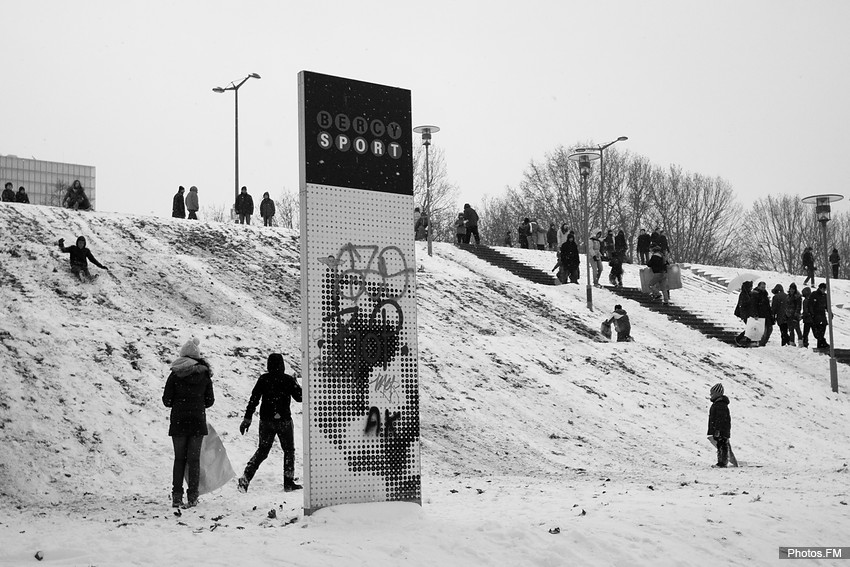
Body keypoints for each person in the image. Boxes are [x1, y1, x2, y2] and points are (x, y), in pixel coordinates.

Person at [237, 353, 303, 493]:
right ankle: (288, 482)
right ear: (282, 365)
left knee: (262, 451)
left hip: (266, 420)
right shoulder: (288, 380)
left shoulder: (263, 379)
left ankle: (246, 477)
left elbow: (254, 399)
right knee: (289, 451)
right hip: (284, 420)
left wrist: (247, 418)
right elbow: (300, 397)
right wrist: (296, 383)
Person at [162, 337, 215, 508]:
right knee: (194, 460)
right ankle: (193, 495)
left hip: (178, 420)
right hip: (197, 420)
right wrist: (197, 403)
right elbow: (210, 400)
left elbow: (166, 400)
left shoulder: (175, 373)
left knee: (179, 459)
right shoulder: (204, 374)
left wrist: (179, 403)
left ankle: (177, 495)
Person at [706, 383, 737, 468]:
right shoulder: (718, 404)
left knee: (722, 446)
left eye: (712, 393)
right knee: (720, 446)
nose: (710, 395)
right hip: (720, 430)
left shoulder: (720, 405)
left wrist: (718, 430)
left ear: (717, 394)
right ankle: (721, 462)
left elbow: (720, 419)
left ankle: (722, 463)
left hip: (721, 430)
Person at [750, 281, 773, 346]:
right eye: (762, 287)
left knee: (769, 329)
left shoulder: (764, 294)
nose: (763, 288)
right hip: (760, 315)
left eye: (764, 287)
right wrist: (755, 314)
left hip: (766, 314)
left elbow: (767, 305)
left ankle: (762, 342)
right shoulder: (755, 294)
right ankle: (760, 342)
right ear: (758, 286)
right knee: (761, 329)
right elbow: (753, 305)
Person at [810, 282, 830, 349]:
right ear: (820, 288)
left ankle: (820, 346)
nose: (824, 291)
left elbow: (827, 306)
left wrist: (830, 312)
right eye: (824, 289)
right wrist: (812, 314)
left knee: (821, 333)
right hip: (816, 317)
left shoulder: (825, 296)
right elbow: (810, 305)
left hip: (822, 317)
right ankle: (823, 343)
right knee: (818, 334)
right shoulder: (814, 294)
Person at [734, 281, 754, 347]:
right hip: (745, 314)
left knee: (751, 328)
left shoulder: (748, 293)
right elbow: (742, 304)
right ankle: (739, 339)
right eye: (751, 286)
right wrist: (749, 301)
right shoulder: (743, 294)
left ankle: (747, 340)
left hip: (749, 313)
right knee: (750, 328)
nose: (752, 288)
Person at [786, 282, 803, 347]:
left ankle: (800, 343)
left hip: (794, 315)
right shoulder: (788, 296)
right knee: (791, 330)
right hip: (789, 315)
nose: (792, 290)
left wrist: (796, 315)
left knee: (797, 329)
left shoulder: (797, 297)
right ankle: (792, 342)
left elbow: (798, 307)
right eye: (791, 289)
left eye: (793, 289)